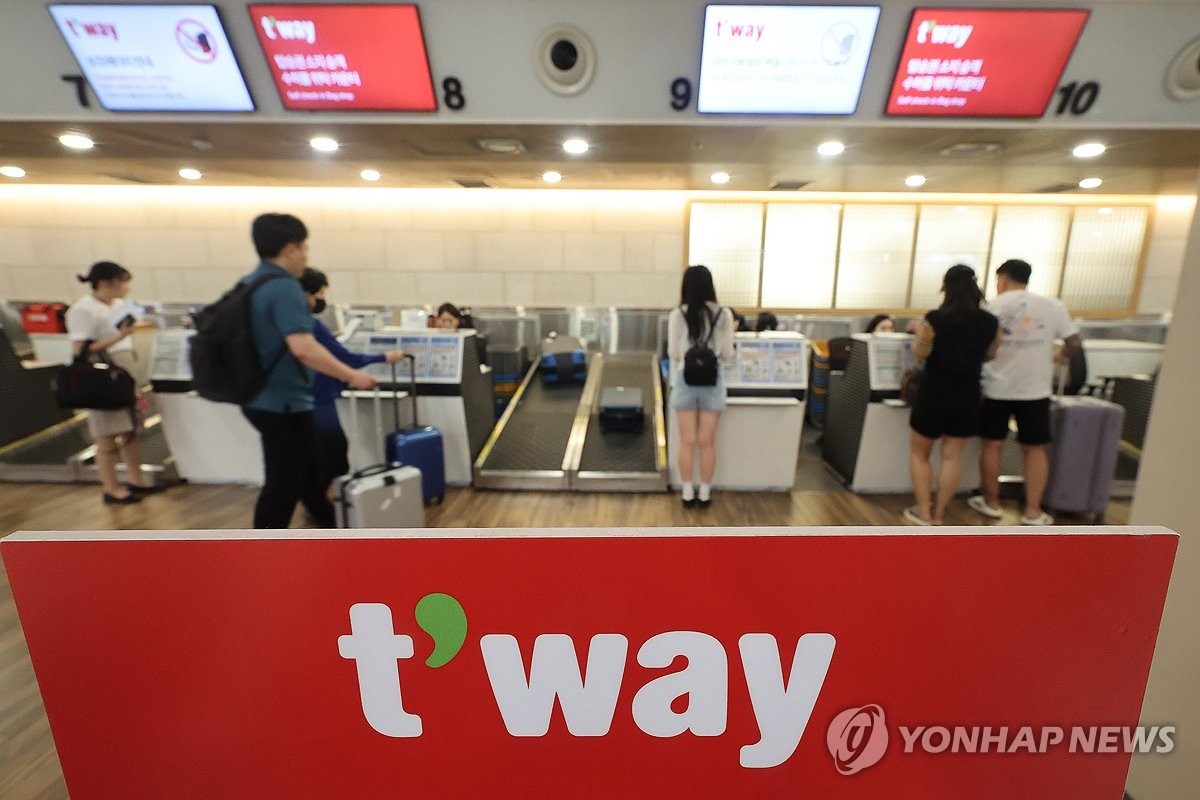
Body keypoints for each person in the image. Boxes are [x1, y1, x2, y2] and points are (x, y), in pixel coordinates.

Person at [240, 213, 378, 529]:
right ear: (290, 249)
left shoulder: (250, 284)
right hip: (285, 402)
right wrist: (352, 375)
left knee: (307, 470)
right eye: (304, 248)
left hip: (259, 398)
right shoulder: (284, 287)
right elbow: (303, 347)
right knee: (284, 482)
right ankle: (265, 545)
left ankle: (327, 525)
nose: (305, 256)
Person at [970, 259, 1083, 526]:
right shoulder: (1052, 306)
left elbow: (980, 348)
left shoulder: (993, 307)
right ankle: (1033, 510)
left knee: (992, 445)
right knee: (1034, 449)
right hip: (1035, 388)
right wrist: (1059, 355)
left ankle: (992, 502)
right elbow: (1074, 343)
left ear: (1003, 280)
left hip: (996, 387)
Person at [905, 264, 1000, 526]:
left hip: (934, 392)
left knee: (920, 454)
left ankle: (923, 512)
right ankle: (939, 514)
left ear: (946, 288)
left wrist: (919, 332)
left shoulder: (934, 319)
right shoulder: (990, 322)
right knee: (952, 457)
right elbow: (991, 354)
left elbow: (921, 352)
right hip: (968, 395)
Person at [65, 261, 164, 504]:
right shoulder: (83, 310)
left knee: (131, 429)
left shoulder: (118, 306)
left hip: (124, 374)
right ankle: (111, 488)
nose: (125, 288)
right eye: (121, 282)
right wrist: (119, 336)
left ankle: (136, 479)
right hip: (103, 380)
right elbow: (80, 349)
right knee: (106, 436)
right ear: (105, 283)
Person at [299, 268, 405, 494]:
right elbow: (348, 359)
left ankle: (318, 503)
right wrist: (384, 357)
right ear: (307, 293)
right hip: (319, 400)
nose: (321, 299)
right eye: (320, 293)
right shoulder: (311, 326)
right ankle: (329, 506)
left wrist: (330, 341)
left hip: (303, 399)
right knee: (335, 456)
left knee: (317, 457)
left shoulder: (295, 326)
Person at [668, 265, 734, 510]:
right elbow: (727, 354)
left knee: (687, 442)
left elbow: (674, 353)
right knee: (707, 442)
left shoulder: (678, 314)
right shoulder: (724, 314)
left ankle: (687, 492)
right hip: (713, 382)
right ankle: (704, 493)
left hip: (685, 381)